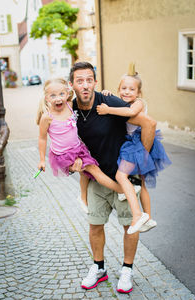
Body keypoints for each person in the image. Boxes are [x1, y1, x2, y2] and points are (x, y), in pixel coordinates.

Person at [69, 62, 156, 293]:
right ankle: (99, 268)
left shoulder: (108, 103)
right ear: (72, 85)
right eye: (80, 80)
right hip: (96, 180)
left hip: (122, 177)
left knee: (130, 226)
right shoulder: (70, 111)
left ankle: (127, 269)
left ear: (95, 82)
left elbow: (148, 123)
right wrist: (72, 164)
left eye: (89, 79)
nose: (85, 85)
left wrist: (141, 159)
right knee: (95, 225)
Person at [97, 64, 171, 234]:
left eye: (131, 89)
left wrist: (108, 109)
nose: (127, 92)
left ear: (138, 93)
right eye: (123, 88)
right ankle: (149, 218)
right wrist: (107, 94)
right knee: (142, 183)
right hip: (132, 143)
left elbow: (128, 112)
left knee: (120, 175)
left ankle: (138, 214)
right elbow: (120, 105)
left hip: (136, 143)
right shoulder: (122, 100)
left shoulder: (138, 103)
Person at [36, 78, 125, 201]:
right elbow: (42, 138)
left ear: (67, 93)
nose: (58, 98)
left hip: (78, 148)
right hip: (63, 154)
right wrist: (42, 160)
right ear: (47, 98)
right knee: (94, 170)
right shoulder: (47, 117)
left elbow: (88, 99)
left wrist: (104, 93)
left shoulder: (70, 105)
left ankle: (83, 198)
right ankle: (122, 190)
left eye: (61, 94)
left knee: (84, 174)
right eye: (53, 95)